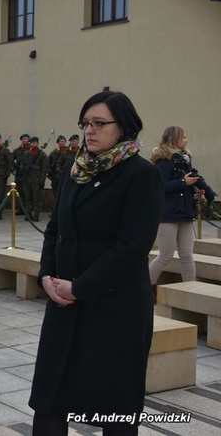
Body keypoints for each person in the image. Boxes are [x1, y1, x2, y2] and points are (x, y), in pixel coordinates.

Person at [29, 91, 163, 435]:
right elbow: (55, 228)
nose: (90, 131)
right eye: (86, 123)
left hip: (114, 309)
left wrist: (81, 288)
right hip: (64, 302)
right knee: (49, 401)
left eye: (100, 123)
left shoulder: (141, 175)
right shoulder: (76, 169)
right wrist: (46, 276)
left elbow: (131, 247)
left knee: (114, 410)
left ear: (124, 127)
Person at [148, 126, 214, 293]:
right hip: (168, 214)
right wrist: (184, 183)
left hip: (185, 212)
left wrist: (194, 188)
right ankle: (143, 287)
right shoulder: (163, 160)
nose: (186, 140)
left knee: (187, 254)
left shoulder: (185, 159)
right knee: (165, 255)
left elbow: (182, 184)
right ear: (174, 138)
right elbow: (160, 186)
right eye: (183, 137)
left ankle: (192, 291)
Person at [18, 136, 48, 222]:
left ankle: (36, 215)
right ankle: (28, 213)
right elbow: (21, 164)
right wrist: (24, 168)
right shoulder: (26, 153)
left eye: (34, 143)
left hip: (36, 180)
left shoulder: (42, 155)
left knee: (36, 199)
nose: (32, 144)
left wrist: (42, 180)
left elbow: (44, 169)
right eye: (31, 143)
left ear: (38, 143)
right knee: (28, 198)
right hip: (27, 179)